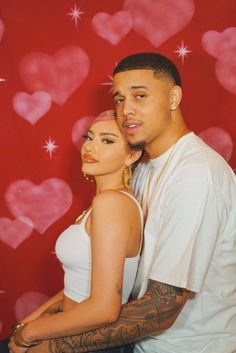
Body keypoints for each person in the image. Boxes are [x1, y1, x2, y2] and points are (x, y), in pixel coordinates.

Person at [16, 52, 236, 353]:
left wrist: (52, 345)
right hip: (138, 344)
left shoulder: (195, 175)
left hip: (186, 347)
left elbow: (160, 311)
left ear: (173, 98)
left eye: (140, 96)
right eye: (119, 99)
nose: (126, 110)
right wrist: (33, 327)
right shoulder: (143, 167)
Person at [7, 110, 143, 353]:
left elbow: (104, 309)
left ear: (132, 154)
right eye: (89, 137)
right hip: (68, 333)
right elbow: (80, 284)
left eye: (107, 140)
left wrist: (29, 334)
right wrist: (26, 324)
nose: (91, 147)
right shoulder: (109, 201)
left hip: (86, 342)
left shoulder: (111, 203)